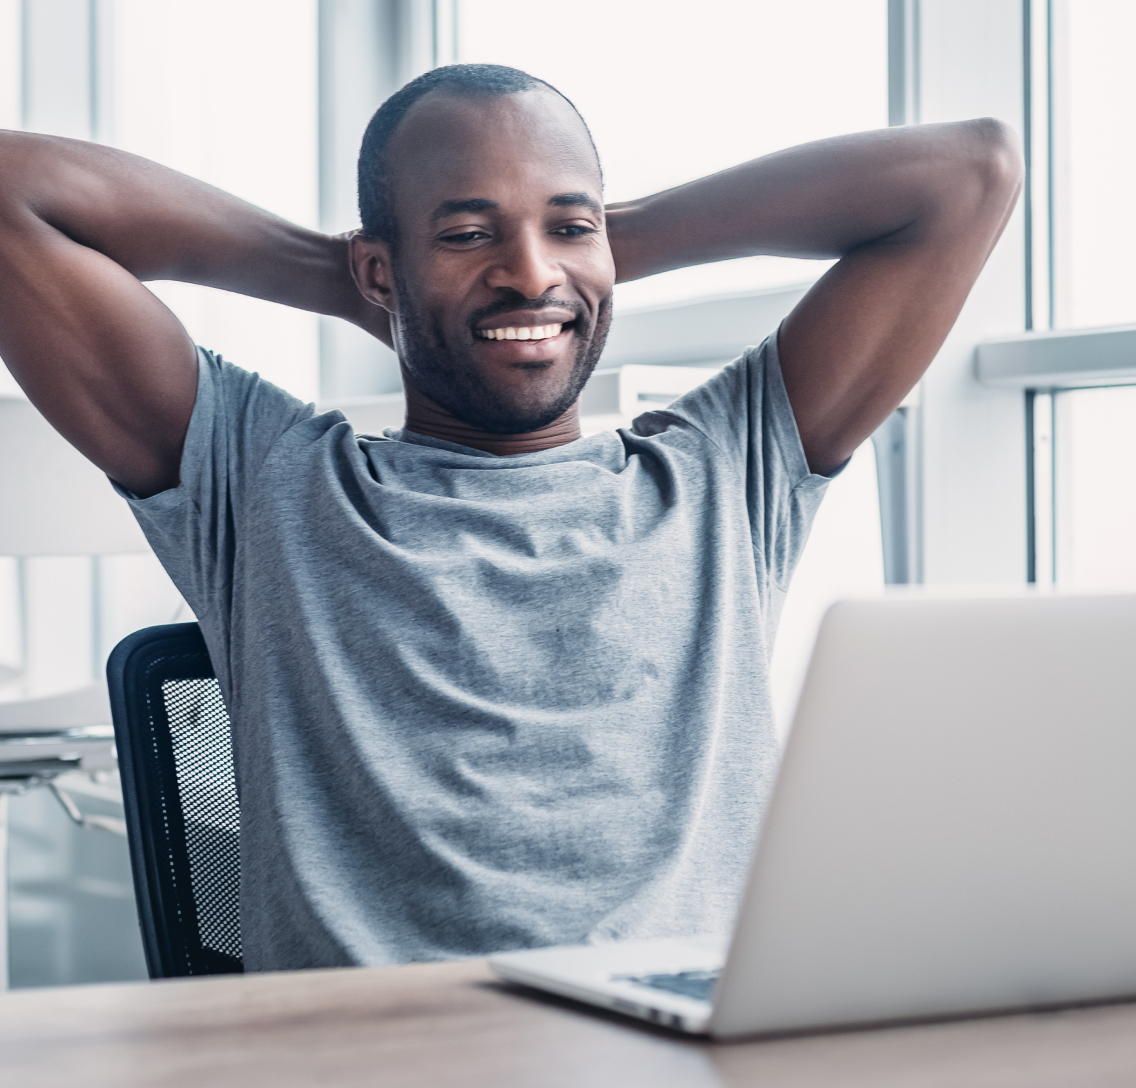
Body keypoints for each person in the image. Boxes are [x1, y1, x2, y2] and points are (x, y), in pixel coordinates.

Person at [0, 64, 1021, 972]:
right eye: (467, 231)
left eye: (567, 226)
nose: (530, 272)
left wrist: (583, 249)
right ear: (379, 268)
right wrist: (361, 277)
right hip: (384, 1059)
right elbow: (13, 190)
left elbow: (967, 173)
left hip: (672, 1047)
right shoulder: (265, 481)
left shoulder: (722, 471)